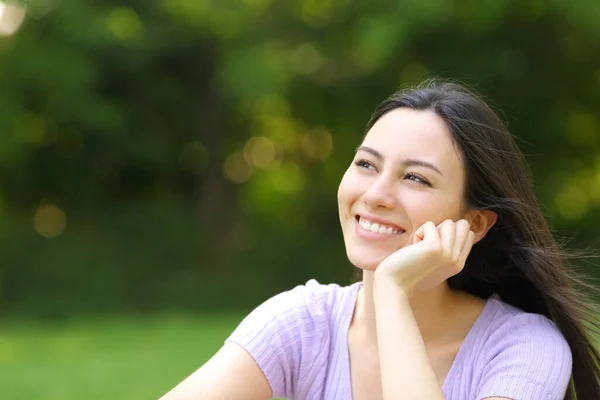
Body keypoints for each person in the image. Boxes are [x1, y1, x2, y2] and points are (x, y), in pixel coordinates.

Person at [160, 80, 600, 400]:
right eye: (367, 165)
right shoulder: (303, 326)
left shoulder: (523, 349)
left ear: (478, 223)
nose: (375, 195)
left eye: (415, 178)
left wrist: (391, 293)